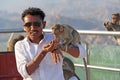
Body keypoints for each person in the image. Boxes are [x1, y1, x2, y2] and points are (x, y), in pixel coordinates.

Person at [15, 7, 87, 80]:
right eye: (28, 25)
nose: (32, 28)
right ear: (24, 27)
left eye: (36, 24)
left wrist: (61, 47)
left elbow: (82, 53)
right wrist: (43, 52)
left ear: (44, 24)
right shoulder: (20, 46)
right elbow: (25, 72)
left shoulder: (55, 38)